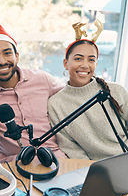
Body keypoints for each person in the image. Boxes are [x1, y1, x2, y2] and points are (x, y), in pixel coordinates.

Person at [0, 25, 67, 163]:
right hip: (14, 167)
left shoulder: (42, 79)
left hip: (57, 160)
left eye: (7, 53)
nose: (2, 61)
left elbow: (72, 96)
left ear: (17, 56)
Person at [48, 20, 128, 161]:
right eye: (78, 59)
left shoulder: (116, 91)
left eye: (91, 60)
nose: (85, 65)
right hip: (95, 170)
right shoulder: (55, 104)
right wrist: (91, 171)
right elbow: (70, 147)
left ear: (96, 63)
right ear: (66, 63)